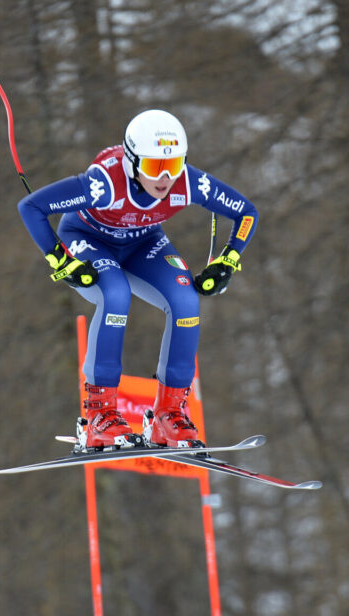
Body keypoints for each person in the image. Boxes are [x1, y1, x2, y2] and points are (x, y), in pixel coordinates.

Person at [17, 110, 258, 449]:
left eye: (173, 166)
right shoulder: (104, 184)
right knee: (115, 294)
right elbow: (31, 207)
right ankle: (98, 416)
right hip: (88, 239)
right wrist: (60, 258)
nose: (166, 179)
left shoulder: (187, 183)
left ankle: (168, 416)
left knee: (186, 300)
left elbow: (247, 212)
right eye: (155, 167)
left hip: (142, 242)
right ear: (132, 162)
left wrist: (228, 260)